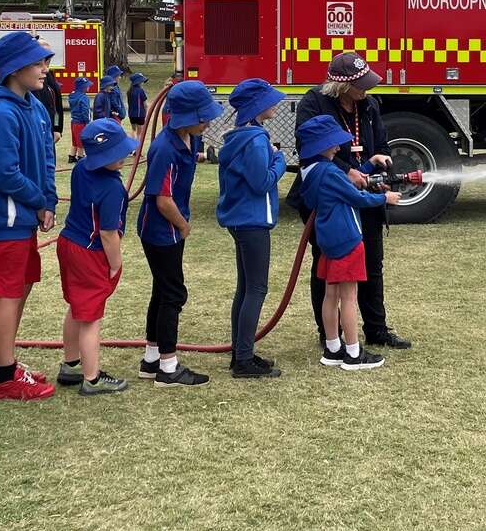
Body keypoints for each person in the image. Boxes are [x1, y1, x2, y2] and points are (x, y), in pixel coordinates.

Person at [287, 52, 412, 350]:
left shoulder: (368, 105)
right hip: (329, 201)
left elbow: (381, 144)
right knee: (328, 267)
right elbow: (308, 148)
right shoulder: (314, 103)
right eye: (361, 84)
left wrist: (379, 165)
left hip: (364, 193)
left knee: (371, 263)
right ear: (342, 86)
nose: (367, 89)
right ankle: (330, 335)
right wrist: (347, 171)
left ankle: (377, 330)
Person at [0, 29, 59, 401]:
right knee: (7, 293)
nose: (45, 69)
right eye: (37, 63)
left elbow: (47, 156)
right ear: (14, 68)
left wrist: (48, 200)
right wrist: (38, 200)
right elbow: (5, 173)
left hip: (24, 217)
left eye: (45, 61)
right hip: (4, 220)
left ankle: (2, 363)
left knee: (20, 288)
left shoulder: (33, 105)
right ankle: (5, 377)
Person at [136, 79, 222, 388]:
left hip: (171, 227)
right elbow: (162, 200)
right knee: (173, 293)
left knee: (162, 290)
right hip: (161, 230)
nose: (208, 122)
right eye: (203, 117)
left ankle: (151, 359)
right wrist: (183, 225)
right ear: (186, 117)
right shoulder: (164, 148)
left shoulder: (190, 139)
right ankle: (168, 367)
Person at [296, 115, 400, 371]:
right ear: (321, 146)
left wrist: (370, 164)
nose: (337, 147)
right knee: (349, 297)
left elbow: (348, 183)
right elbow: (358, 197)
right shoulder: (330, 172)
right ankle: (353, 353)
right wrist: (385, 198)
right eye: (333, 143)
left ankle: (333, 348)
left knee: (331, 295)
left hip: (328, 241)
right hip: (347, 240)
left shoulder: (311, 171)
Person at [54, 118, 137, 395]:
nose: (122, 156)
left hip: (68, 242)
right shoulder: (113, 189)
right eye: (115, 153)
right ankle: (91, 379)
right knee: (90, 317)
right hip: (89, 252)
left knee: (77, 307)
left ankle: (71, 365)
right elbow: (108, 233)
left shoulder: (81, 168)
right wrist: (115, 263)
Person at [215, 78, 288, 379]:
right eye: (270, 100)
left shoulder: (239, 137)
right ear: (257, 106)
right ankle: (243, 360)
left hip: (241, 220)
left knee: (245, 288)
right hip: (252, 221)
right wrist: (280, 159)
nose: (276, 104)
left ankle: (240, 352)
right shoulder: (256, 140)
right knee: (256, 288)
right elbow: (262, 182)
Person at [67, 76, 93, 164]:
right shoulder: (84, 97)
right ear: (83, 87)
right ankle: (81, 157)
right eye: (87, 85)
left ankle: (72, 156)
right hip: (81, 122)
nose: (89, 87)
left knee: (75, 140)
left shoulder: (72, 95)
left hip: (73, 121)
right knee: (81, 142)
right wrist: (88, 121)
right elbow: (85, 110)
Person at [127, 71, 150, 140]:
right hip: (140, 114)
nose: (142, 83)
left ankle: (132, 143)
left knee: (133, 130)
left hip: (131, 114)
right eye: (142, 81)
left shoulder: (129, 91)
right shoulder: (141, 91)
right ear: (138, 82)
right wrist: (146, 113)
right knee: (139, 133)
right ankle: (138, 145)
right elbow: (145, 105)